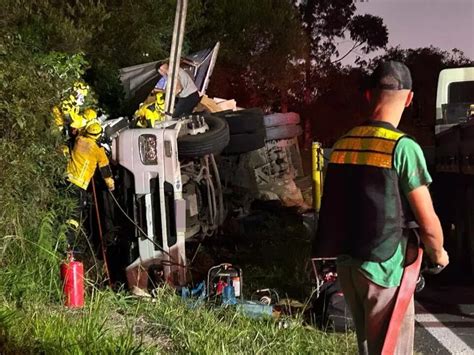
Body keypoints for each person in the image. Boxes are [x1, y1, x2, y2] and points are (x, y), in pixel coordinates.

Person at [313, 61, 449, 355]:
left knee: (370, 349)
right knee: (390, 349)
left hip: (348, 268)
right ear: (410, 98)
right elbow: (428, 222)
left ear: (368, 95)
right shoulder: (402, 147)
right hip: (384, 267)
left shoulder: (342, 144)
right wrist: (438, 254)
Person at [65, 122, 115, 248]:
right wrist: (111, 186)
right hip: (79, 185)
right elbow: (105, 172)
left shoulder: (79, 140)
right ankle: (67, 244)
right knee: (75, 216)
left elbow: (80, 132)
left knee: (66, 209)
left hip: (67, 180)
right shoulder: (99, 151)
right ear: (98, 136)